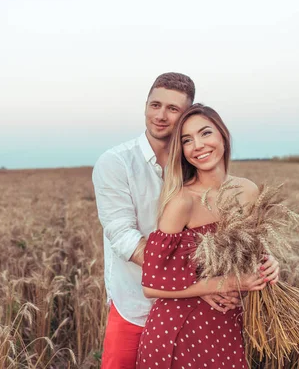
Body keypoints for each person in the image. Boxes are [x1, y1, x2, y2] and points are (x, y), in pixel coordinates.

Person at [92, 73, 280, 369]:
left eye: (173, 109)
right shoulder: (116, 163)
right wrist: (206, 281)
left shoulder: (206, 171)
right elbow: (121, 235)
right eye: (155, 105)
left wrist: (267, 263)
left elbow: (247, 242)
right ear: (145, 106)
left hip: (217, 314)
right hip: (136, 302)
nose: (161, 116)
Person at [137, 104, 269, 369]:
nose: (197, 145)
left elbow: (255, 248)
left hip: (225, 324)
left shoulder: (248, 190)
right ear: (182, 151)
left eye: (205, 133)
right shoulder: (182, 202)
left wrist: (269, 263)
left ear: (222, 135)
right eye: (187, 140)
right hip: (179, 330)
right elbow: (150, 286)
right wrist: (223, 284)